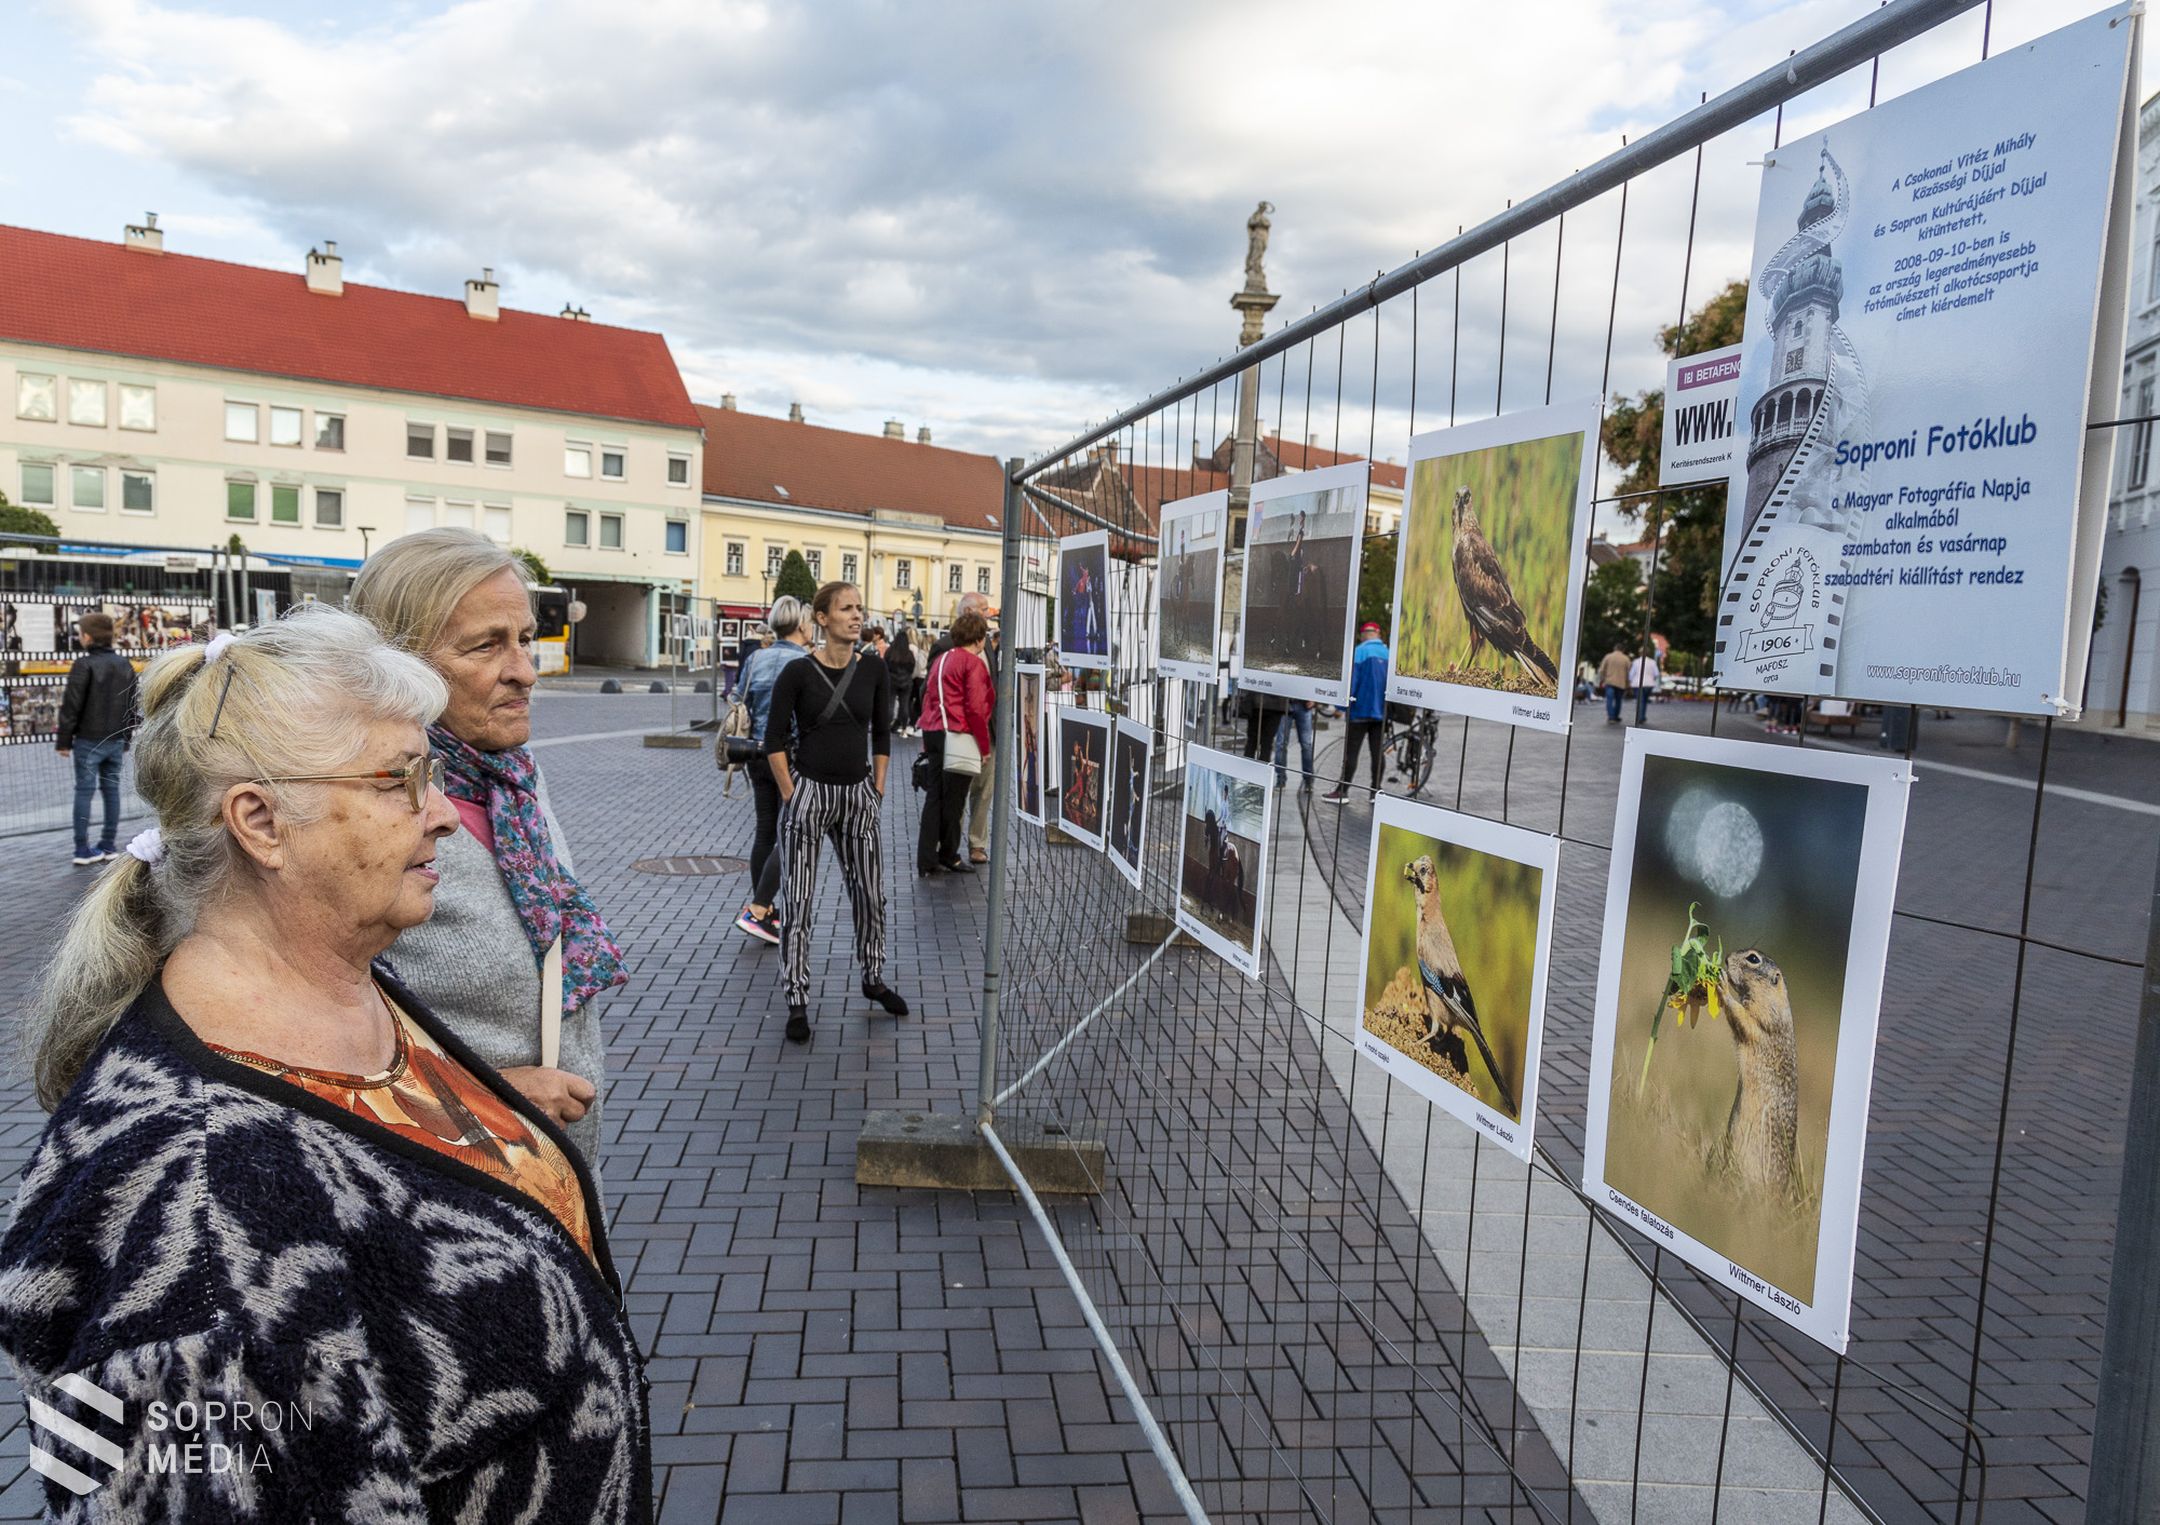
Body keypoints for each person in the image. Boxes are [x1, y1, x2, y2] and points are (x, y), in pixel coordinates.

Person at [3, 608, 649, 1521]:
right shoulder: (194, 1197)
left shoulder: (347, 984)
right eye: (401, 779)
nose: (441, 815)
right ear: (261, 822)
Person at [350, 528, 624, 1171]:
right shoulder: (354, 804)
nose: (524, 672)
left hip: (553, 1179)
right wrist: (472, 1100)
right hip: (444, 1192)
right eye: (487, 646)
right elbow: (290, 1031)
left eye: (526, 639)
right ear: (399, 662)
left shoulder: (510, 777)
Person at [765, 582, 908, 1042]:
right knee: (799, 901)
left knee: (870, 895)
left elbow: (882, 734)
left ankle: (873, 977)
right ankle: (797, 999)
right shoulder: (797, 673)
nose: (855, 615)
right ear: (821, 618)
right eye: (846, 609)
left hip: (859, 795)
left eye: (859, 608)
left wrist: (878, 790)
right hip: (810, 796)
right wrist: (792, 795)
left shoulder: (875, 671)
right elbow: (772, 742)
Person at [733, 595, 812, 946]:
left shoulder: (756, 658)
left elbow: (738, 699)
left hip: (754, 753)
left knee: (765, 830)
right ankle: (760, 909)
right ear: (799, 624)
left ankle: (766, 911)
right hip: (791, 756)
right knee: (791, 831)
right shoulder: (806, 662)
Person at [54, 611, 138, 866]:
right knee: (111, 792)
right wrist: (125, 739)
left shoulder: (84, 665)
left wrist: (64, 741)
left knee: (84, 791)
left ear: (88, 637)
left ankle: (82, 849)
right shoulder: (126, 665)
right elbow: (131, 706)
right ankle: (109, 844)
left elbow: (72, 706)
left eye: (80, 634)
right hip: (114, 741)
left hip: (88, 741)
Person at [917, 609, 995, 876]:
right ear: (979, 638)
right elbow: (975, 708)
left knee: (934, 797)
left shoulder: (943, 658)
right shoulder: (972, 663)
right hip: (959, 734)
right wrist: (984, 748)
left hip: (934, 729)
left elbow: (927, 694)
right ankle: (949, 854)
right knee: (955, 799)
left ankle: (927, 857)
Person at [1325, 622, 1390, 805]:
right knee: (1378, 753)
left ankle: (1342, 792)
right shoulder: (1389, 654)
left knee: (1351, 753)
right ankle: (1375, 792)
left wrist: (1340, 708)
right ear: (1378, 633)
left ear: (1363, 634)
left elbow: (1352, 683)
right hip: (1381, 713)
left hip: (1359, 711)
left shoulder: (1359, 652)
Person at [1272, 696, 1316, 792]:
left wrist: (1314, 697)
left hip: (1303, 703)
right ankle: (1281, 779)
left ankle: (1308, 780)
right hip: (1285, 703)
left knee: (1306, 745)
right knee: (1281, 744)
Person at [886, 626, 918, 738]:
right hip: (906, 682)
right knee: (904, 705)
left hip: (892, 680)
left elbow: (886, 665)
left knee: (890, 704)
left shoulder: (890, 651)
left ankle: (887, 725)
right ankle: (904, 727)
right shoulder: (909, 653)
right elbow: (912, 667)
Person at [1598, 644, 1632, 724]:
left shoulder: (1608, 657)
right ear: (1623, 650)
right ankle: (1616, 716)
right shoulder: (1626, 659)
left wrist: (1602, 679)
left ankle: (1611, 717)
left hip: (1609, 682)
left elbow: (1602, 670)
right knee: (1618, 700)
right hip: (1621, 683)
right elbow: (1629, 673)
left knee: (1609, 700)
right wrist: (1628, 684)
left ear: (1615, 648)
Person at [1630, 648, 1662, 725]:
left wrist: (1630, 681)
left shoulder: (1636, 662)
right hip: (1649, 684)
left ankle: (1640, 717)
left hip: (1638, 684)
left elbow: (1631, 674)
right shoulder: (1652, 662)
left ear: (1639, 653)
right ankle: (1643, 716)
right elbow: (1656, 674)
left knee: (1640, 701)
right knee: (1644, 701)